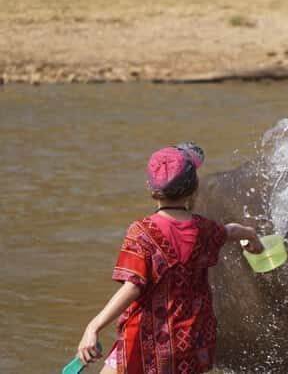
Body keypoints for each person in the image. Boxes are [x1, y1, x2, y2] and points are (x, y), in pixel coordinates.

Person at [75, 142, 264, 373]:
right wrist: (252, 236)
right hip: (191, 342)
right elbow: (231, 231)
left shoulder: (142, 232)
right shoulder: (205, 230)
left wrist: (93, 327)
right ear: (194, 188)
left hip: (147, 342)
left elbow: (133, 286)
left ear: (151, 188)